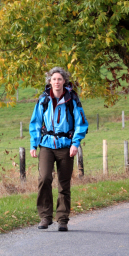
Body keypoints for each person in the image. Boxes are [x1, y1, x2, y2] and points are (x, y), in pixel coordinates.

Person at [29, 66, 88, 231]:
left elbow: (81, 123)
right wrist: (34, 144)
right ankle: (45, 217)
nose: (56, 82)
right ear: (50, 81)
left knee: (64, 184)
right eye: (54, 79)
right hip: (46, 145)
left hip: (66, 146)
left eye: (59, 79)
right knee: (44, 178)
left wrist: (75, 143)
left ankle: (62, 219)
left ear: (64, 81)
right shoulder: (44, 99)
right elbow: (35, 122)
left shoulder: (72, 99)